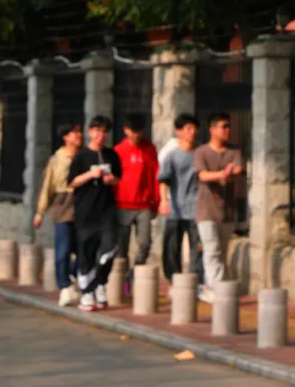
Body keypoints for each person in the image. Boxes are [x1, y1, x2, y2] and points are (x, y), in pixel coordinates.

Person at [67, 114, 121, 311]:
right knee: (86, 254)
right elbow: (71, 182)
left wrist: (111, 179)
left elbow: (119, 178)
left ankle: (98, 282)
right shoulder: (81, 157)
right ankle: (88, 293)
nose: (101, 135)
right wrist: (90, 174)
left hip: (106, 211)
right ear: (90, 132)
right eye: (97, 131)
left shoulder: (111, 155)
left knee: (109, 249)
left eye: (104, 131)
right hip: (85, 212)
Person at [194, 111, 244, 302]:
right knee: (212, 249)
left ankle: (213, 285)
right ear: (212, 130)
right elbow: (202, 175)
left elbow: (238, 168)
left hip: (227, 210)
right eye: (223, 127)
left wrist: (232, 172)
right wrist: (222, 174)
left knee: (222, 251)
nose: (227, 130)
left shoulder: (234, 151)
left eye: (228, 127)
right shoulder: (202, 152)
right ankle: (213, 289)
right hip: (206, 209)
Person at [33, 120, 83, 306]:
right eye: (74, 133)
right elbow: (47, 187)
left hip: (82, 205)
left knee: (83, 250)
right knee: (62, 250)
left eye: (79, 132)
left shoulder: (85, 156)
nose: (79, 136)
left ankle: (73, 275)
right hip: (63, 205)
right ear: (65, 138)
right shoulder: (56, 160)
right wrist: (40, 212)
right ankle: (64, 286)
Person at [158, 112, 203, 286]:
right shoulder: (172, 156)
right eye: (188, 128)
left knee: (197, 247)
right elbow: (163, 180)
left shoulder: (200, 153)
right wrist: (164, 201)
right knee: (171, 247)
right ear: (179, 131)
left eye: (194, 128)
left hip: (196, 209)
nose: (192, 132)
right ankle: (173, 280)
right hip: (175, 209)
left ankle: (195, 281)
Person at [115, 112, 158, 268]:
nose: (137, 135)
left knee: (145, 244)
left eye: (140, 131)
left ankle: (135, 274)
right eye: (134, 132)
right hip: (123, 205)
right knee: (121, 248)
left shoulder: (149, 149)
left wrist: (156, 203)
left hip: (144, 205)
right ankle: (124, 281)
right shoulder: (118, 151)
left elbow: (155, 176)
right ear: (126, 130)